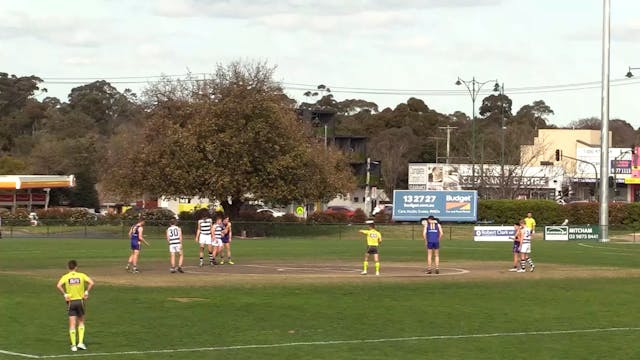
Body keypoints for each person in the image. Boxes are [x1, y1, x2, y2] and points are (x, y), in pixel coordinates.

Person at [56, 260, 95, 352]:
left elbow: (58, 285)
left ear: (68, 267)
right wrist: (86, 291)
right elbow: (91, 282)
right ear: (76, 267)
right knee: (81, 322)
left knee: (72, 324)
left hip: (71, 302)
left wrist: (65, 294)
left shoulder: (65, 277)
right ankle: (80, 343)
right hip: (80, 301)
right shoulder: (81, 275)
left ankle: (73, 345)